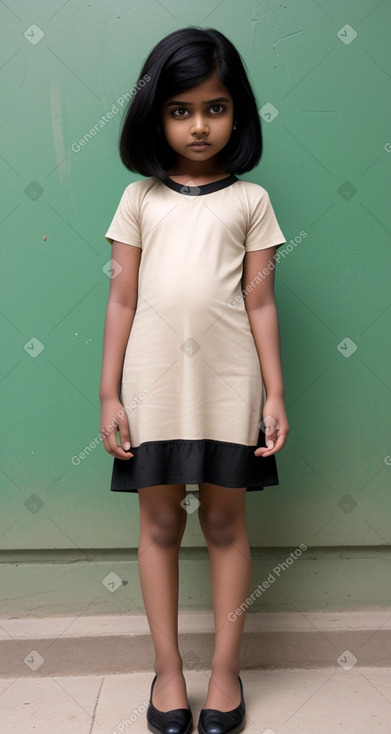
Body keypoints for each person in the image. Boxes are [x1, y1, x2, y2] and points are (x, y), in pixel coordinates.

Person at [99, 26, 289, 734]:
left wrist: (274, 393)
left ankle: (223, 672)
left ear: (237, 113)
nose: (199, 125)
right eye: (180, 110)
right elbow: (121, 298)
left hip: (228, 385)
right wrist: (109, 393)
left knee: (222, 521)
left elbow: (259, 300)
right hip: (152, 387)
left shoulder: (252, 202)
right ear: (155, 115)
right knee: (156, 523)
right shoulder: (138, 199)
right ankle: (170, 673)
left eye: (214, 107)